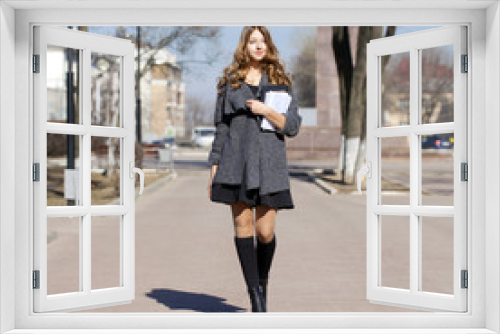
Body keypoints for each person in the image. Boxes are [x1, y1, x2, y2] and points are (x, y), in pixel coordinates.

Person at [207, 26, 302, 312]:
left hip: (270, 166)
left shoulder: (282, 81)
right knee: (242, 226)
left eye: (263, 41)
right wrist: (214, 166)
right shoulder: (230, 82)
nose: (258, 46)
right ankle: (255, 299)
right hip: (235, 163)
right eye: (253, 41)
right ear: (244, 46)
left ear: (269, 45)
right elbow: (221, 128)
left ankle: (263, 283)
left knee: (264, 232)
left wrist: (267, 111)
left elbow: (293, 127)